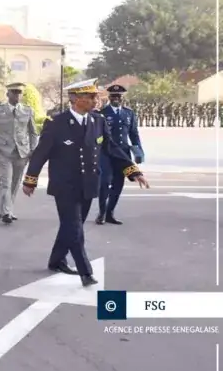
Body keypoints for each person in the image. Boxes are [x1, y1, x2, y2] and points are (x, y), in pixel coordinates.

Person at [21, 78, 149, 286]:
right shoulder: (56, 123)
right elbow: (41, 153)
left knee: (72, 226)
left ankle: (56, 260)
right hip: (65, 186)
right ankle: (85, 272)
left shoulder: (98, 121)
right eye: (91, 97)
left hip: (89, 183)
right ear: (76, 99)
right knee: (75, 228)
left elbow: (112, 148)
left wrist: (133, 171)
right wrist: (30, 180)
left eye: (96, 96)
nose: (96, 100)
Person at [0, 82, 38, 224]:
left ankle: (7, 209)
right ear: (8, 94)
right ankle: (7, 212)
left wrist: (33, 149)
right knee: (5, 182)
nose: (17, 95)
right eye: (14, 92)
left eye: (19, 92)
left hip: (21, 153)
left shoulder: (27, 110)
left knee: (15, 183)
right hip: (3, 151)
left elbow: (33, 132)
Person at [95, 84, 144, 225]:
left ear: (123, 98)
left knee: (118, 184)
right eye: (113, 96)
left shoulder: (129, 113)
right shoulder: (102, 113)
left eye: (119, 96)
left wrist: (139, 152)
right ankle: (102, 212)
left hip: (123, 154)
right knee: (105, 182)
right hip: (106, 153)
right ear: (109, 97)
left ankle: (110, 213)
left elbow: (134, 134)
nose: (116, 98)